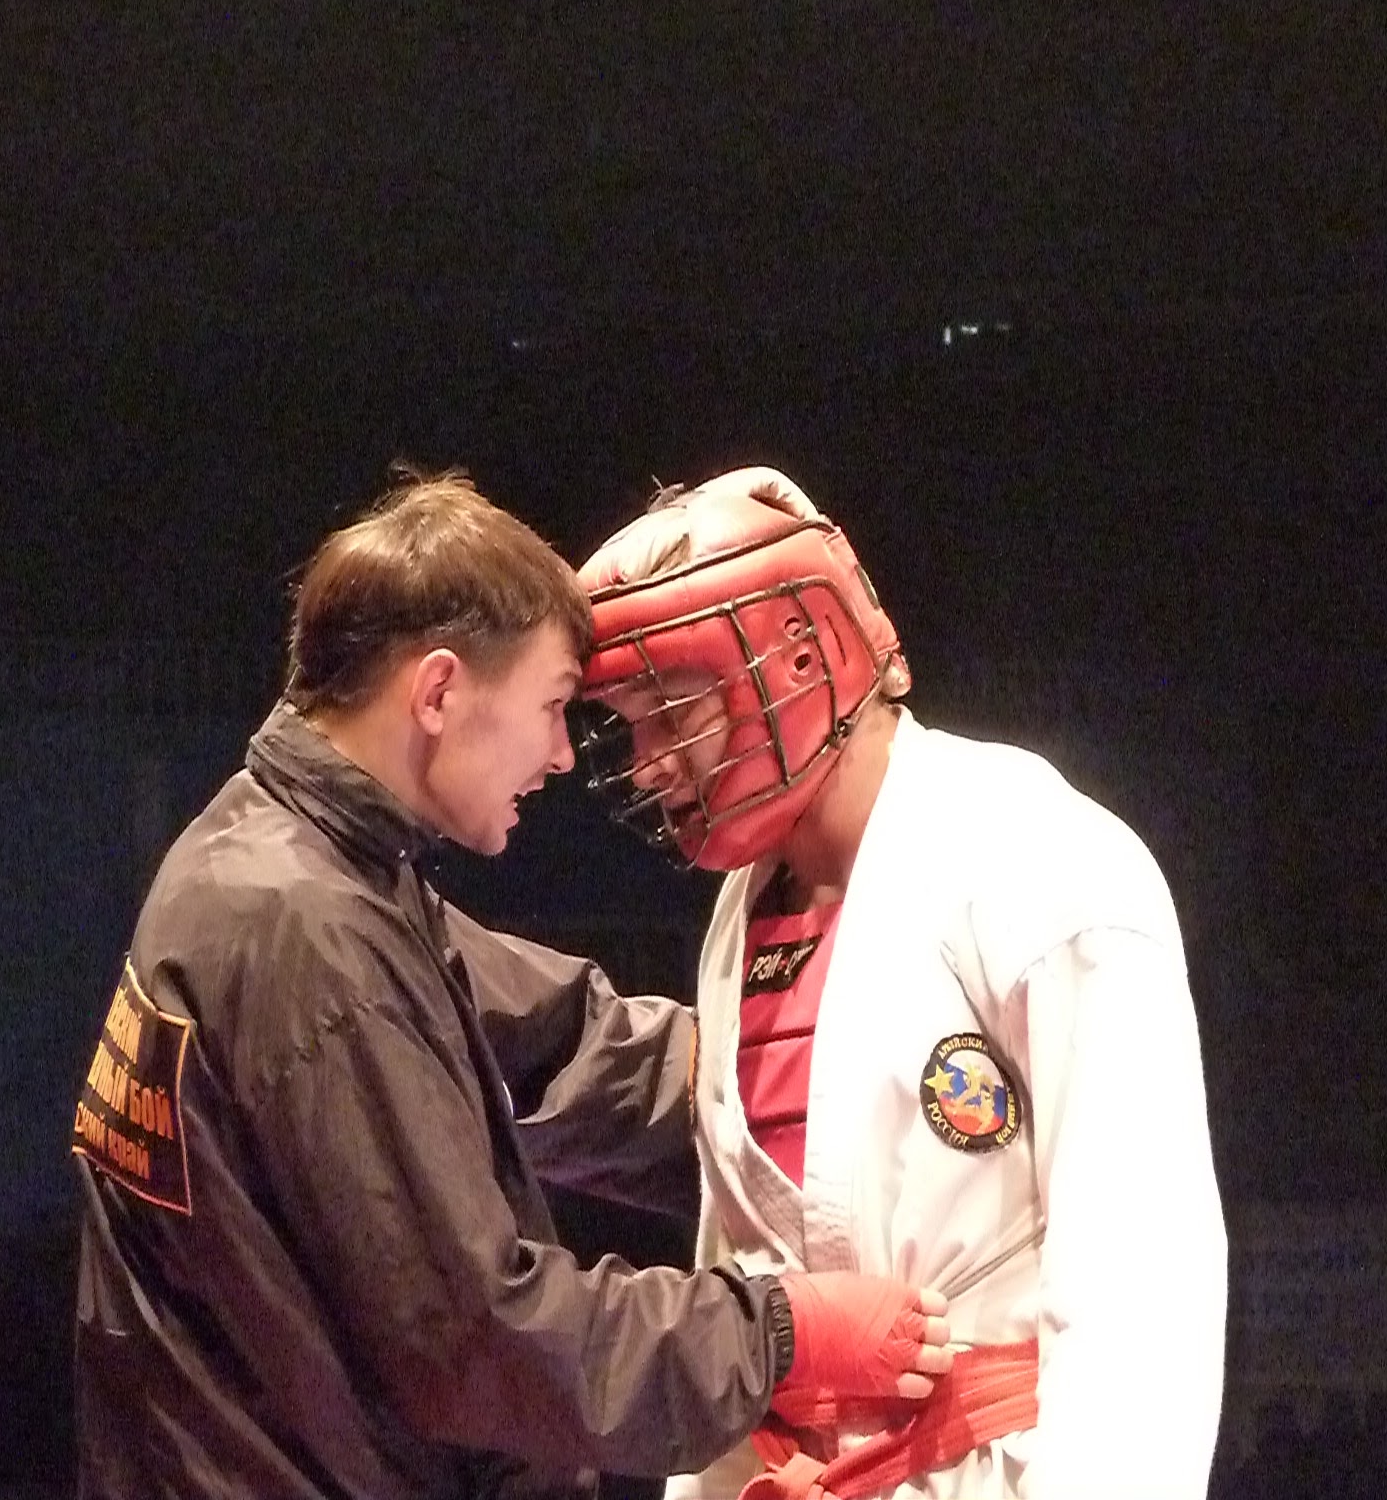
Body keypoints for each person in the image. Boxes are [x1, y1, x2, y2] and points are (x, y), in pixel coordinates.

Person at [70, 467, 951, 1500]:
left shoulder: (281, 858)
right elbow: (473, 1335)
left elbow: (557, 1046)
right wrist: (779, 1337)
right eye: (554, 706)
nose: (563, 756)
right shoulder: (304, 932)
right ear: (439, 692)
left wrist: (790, 1079)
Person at [574, 467, 1227, 1499]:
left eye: (670, 712)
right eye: (631, 725)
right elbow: (743, 1267)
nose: (649, 763)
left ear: (800, 658)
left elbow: (1139, 1270)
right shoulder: (746, 905)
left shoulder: (1033, 850)